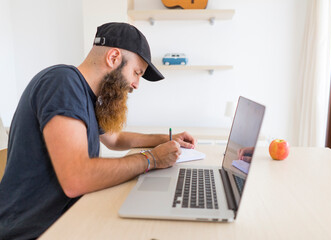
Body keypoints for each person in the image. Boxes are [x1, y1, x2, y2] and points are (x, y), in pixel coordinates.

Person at [0, 22, 196, 239]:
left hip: (64, 220)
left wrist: (167, 138)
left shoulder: (85, 94)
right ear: (113, 58)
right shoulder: (62, 84)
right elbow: (77, 179)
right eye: (136, 73)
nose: (136, 84)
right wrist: (151, 159)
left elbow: (115, 139)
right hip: (31, 231)